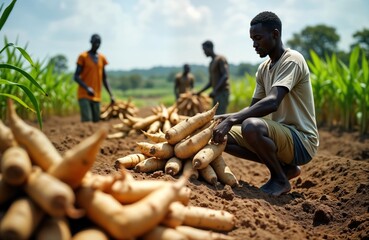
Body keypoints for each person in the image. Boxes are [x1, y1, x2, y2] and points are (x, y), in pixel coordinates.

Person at [211, 11, 319, 196]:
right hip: (282, 135)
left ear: (275, 34)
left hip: (301, 141)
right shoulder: (263, 69)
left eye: (258, 38)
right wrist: (219, 119)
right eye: (252, 39)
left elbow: (273, 102)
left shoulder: (292, 60)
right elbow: (253, 109)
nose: (254, 44)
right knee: (222, 136)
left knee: (250, 126)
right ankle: (286, 168)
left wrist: (231, 120)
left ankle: (280, 179)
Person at [74, 34, 115, 122]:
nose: (97, 45)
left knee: (96, 121)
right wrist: (87, 88)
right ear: (91, 42)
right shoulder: (83, 57)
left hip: (97, 95)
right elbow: (76, 76)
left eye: (99, 43)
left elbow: (104, 78)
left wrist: (111, 95)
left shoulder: (102, 58)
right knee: (87, 121)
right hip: (84, 94)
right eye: (95, 42)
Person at [195, 40, 230, 115]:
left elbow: (225, 76)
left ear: (210, 48)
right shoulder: (211, 63)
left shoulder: (220, 59)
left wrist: (215, 90)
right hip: (217, 94)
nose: (204, 52)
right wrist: (200, 92)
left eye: (204, 50)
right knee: (215, 115)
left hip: (222, 93)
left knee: (220, 116)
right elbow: (211, 82)